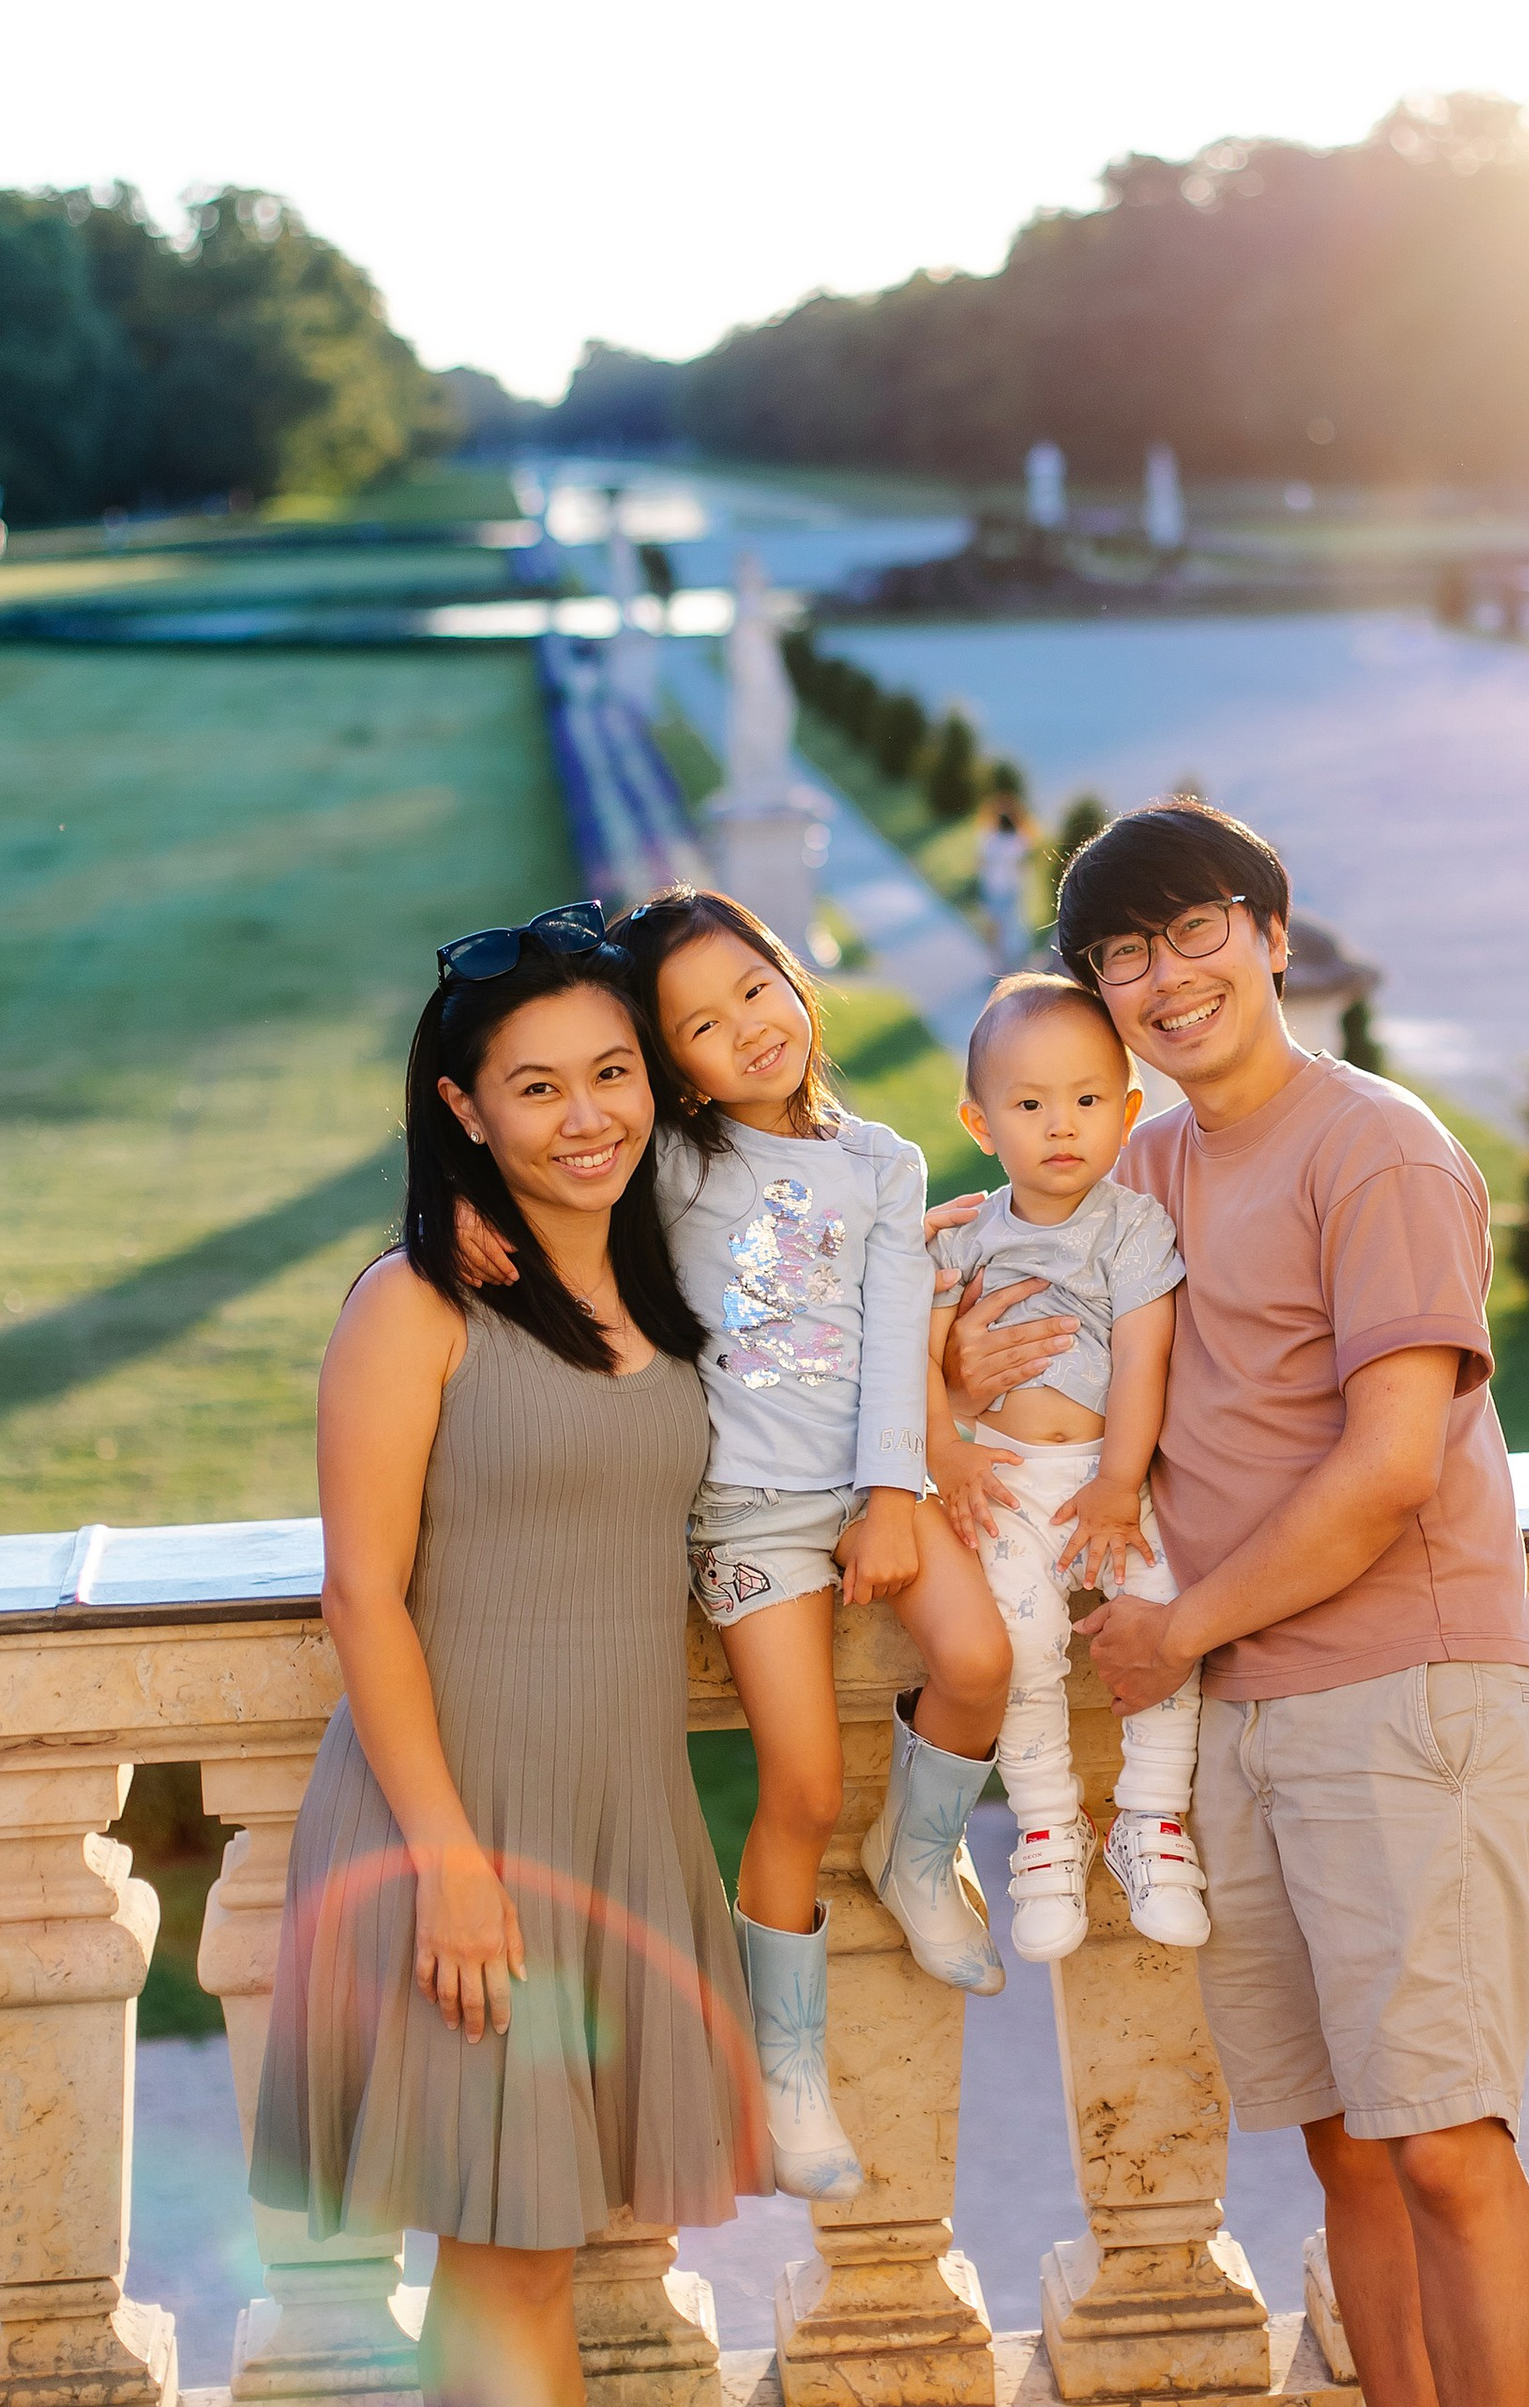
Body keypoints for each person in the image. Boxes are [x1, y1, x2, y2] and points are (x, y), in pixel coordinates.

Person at [940, 803, 1529, 2407]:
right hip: (1233, 1714)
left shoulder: (1381, 1149)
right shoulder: (1138, 1158)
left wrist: (1180, 1628)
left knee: (1445, 2150)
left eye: (1197, 929)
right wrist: (942, 1376)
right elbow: (946, 1253)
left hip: (1398, 1694)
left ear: (1273, 935)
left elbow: (1392, 1468)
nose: (1165, 976)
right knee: (1346, 2155)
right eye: (1121, 955)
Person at [252, 902, 765, 2407]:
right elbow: (363, 1599)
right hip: (461, 1832)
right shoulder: (412, 1304)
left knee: (536, 2249)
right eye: (534, 1086)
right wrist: (451, 1867)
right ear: (463, 1108)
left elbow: (841, 1242)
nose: (585, 1115)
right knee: (510, 2253)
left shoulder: (668, 1275)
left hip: (614, 1817)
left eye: (610, 1072)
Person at [458, 888, 1012, 2200]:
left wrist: (891, 1497)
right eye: (700, 1026)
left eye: (755, 990)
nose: (747, 1030)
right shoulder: (675, 1162)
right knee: (803, 1788)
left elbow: (889, 1334)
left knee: (981, 1663)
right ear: (674, 1066)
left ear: (794, 975)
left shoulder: (883, 1162)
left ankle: (919, 1857)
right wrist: (466, 1215)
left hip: (879, 1488)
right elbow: (549, 1160)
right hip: (751, 1517)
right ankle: (787, 2069)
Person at [925, 973, 1206, 1962]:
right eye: (1029, 1103)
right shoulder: (959, 1235)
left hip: (1108, 1474)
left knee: (1162, 1611)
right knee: (1020, 1639)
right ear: (979, 1120)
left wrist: (1119, 1484)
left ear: (1128, 1112)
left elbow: (1142, 1358)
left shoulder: (1132, 1228)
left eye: (1088, 1100)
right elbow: (913, 1357)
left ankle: (1152, 1821)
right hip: (999, 1474)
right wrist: (945, 1448)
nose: (1061, 1126)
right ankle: (1047, 1829)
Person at [976, 797, 1035, 970]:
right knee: (1014, 924)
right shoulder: (1017, 841)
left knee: (996, 926)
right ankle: (1018, 962)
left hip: (992, 887)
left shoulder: (990, 840)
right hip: (1012, 887)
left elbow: (981, 860)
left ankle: (997, 963)